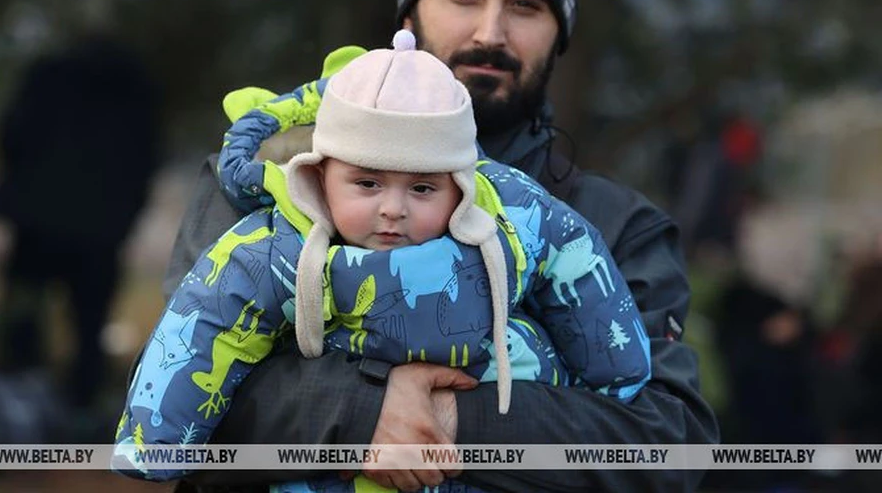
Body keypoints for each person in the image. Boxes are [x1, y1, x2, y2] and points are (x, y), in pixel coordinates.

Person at [162, 0, 718, 493]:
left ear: (560, 34)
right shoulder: (271, 177)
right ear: (408, 17)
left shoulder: (616, 227)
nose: (491, 32)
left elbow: (668, 443)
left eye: (526, 4)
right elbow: (187, 387)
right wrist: (363, 411)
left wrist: (453, 416)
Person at [116, 32, 652, 492]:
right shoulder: (280, 243)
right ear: (321, 173)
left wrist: (616, 372)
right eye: (367, 183)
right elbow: (210, 319)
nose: (392, 208)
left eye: (422, 187)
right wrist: (153, 443)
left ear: (461, 182)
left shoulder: (506, 215)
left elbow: (576, 259)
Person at [0, 35, 158, 422]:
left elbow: (12, 134)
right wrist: (125, 214)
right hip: (99, 228)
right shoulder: (132, 88)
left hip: (39, 218)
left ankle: (12, 398)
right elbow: (146, 156)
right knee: (89, 324)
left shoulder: (49, 75)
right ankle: (81, 403)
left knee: (23, 312)